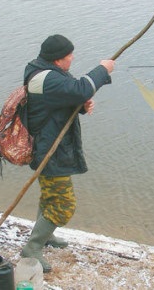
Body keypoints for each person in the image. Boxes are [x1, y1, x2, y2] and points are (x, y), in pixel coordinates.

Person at [21, 34, 115, 272]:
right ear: (57, 60)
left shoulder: (45, 72)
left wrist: (81, 105)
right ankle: (32, 248)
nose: (73, 59)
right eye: (69, 56)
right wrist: (103, 69)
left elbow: (66, 97)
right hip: (48, 151)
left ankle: (45, 236)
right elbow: (80, 88)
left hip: (50, 147)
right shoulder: (45, 78)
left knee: (50, 197)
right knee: (63, 205)